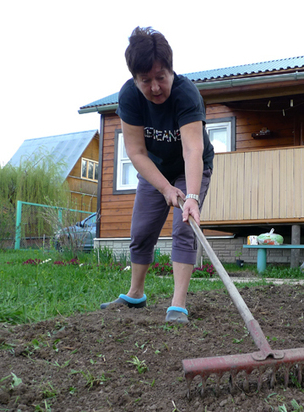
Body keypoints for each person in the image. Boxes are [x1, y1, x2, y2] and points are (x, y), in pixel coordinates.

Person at [100, 27, 214, 325]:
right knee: (142, 230)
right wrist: (164, 188)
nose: (154, 87)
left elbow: (192, 150)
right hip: (155, 169)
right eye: (145, 80)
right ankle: (135, 293)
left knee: (184, 228)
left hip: (191, 167)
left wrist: (190, 197)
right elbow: (136, 152)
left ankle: (178, 304)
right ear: (135, 78)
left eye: (160, 77)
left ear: (170, 71)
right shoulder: (129, 97)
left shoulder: (186, 95)